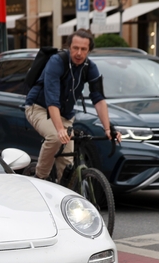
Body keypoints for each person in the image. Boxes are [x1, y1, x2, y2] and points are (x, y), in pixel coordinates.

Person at [24, 29, 120, 181]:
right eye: (75, 48)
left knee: (67, 166)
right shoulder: (57, 62)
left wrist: (107, 129)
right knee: (55, 137)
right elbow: (52, 99)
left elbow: (99, 99)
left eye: (83, 49)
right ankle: (40, 178)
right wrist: (60, 129)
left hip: (66, 114)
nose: (79, 53)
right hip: (39, 108)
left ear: (89, 50)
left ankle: (66, 195)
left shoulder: (90, 67)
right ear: (69, 46)